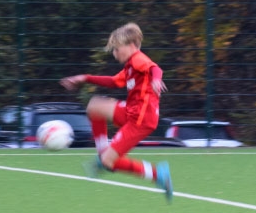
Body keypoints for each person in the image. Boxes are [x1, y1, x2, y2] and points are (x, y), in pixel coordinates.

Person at [60, 22, 173, 202]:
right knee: (95, 106)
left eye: (116, 49)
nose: (114, 53)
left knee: (108, 162)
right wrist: (85, 78)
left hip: (141, 120)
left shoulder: (138, 59)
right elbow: (114, 82)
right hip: (132, 111)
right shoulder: (130, 66)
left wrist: (156, 80)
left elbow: (155, 68)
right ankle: (103, 155)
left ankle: (157, 174)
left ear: (131, 45)